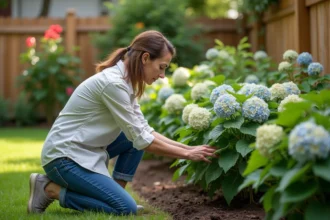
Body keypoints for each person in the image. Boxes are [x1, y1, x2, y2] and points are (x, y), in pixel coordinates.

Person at [27, 30, 217, 215]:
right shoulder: (114, 84)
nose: (162, 76)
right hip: (63, 158)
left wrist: (188, 148)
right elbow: (144, 139)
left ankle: (113, 196)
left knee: (133, 141)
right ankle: (49, 189)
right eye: (161, 67)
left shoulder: (125, 83)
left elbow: (144, 131)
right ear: (145, 58)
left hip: (83, 150)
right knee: (126, 209)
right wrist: (187, 153)